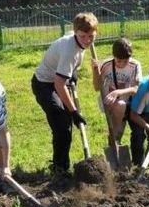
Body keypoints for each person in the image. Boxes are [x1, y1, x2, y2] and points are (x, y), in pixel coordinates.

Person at [31, 12, 98, 179]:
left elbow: (63, 72)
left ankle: (62, 166)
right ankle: (59, 169)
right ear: (75, 32)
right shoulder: (70, 51)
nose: (87, 40)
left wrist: (72, 72)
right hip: (44, 84)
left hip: (59, 80)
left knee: (65, 125)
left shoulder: (76, 39)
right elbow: (59, 84)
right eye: (82, 36)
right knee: (62, 124)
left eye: (91, 36)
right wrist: (74, 112)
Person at [91, 38, 142, 142]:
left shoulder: (135, 65)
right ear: (113, 56)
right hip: (107, 101)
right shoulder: (106, 65)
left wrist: (118, 92)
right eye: (119, 61)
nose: (122, 64)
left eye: (126, 61)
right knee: (120, 107)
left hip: (125, 101)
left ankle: (114, 140)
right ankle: (113, 138)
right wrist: (95, 71)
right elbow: (97, 87)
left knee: (119, 123)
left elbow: (135, 89)